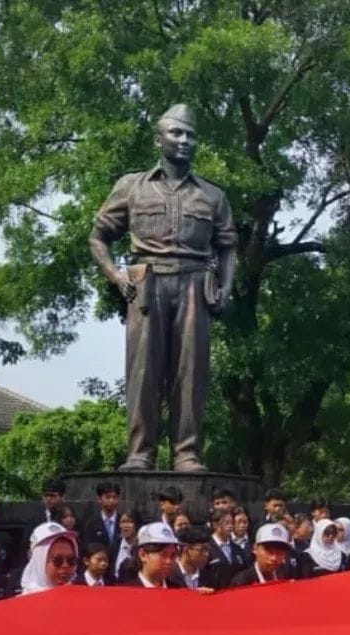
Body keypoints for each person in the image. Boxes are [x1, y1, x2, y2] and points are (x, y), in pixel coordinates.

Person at [89, 103, 236, 472]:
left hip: (194, 284)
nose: (185, 140)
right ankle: (140, 453)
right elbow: (98, 237)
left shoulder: (212, 195)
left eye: (191, 135)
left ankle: (187, 453)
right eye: (177, 133)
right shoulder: (131, 186)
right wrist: (116, 276)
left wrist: (226, 288)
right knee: (143, 372)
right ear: (159, 139)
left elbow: (227, 246)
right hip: (146, 283)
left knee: (191, 373)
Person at [18, 522, 79, 596]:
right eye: (58, 560)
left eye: (71, 560)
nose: (65, 565)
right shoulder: (24, 601)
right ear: (40, 563)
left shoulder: (81, 598)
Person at [121, 522, 184, 588]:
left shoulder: (178, 590)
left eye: (172, 556)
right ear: (143, 555)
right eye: (163, 555)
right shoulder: (126, 591)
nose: (168, 561)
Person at [202, 509, 246, 590]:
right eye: (226, 523)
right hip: (215, 592)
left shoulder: (237, 548)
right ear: (215, 525)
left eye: (231, 523)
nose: (230, 526)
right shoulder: (207, 547)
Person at [83, 481, 121, 549]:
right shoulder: (91, 524)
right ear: (99, 499)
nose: (111, 501)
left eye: (114, 497)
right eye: (107, 497)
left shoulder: (123, 521)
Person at [111, 509, 140, 584]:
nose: (125, 526)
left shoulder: (142, 546)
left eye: (129, 522)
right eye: (123, 522)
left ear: (136, 524)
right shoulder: (114, 545)